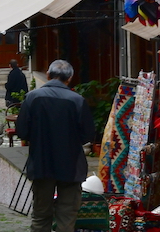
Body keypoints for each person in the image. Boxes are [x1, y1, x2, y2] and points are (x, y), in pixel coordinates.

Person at [15, 60, 95, 232]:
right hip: (71, 164)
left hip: (41, 162)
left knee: (40, 215)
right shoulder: (77, 100)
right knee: (67, 217)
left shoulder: (32, 98)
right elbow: (88, 134)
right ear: (70, 78)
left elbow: (22, 131)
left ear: (48, 75)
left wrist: (37, 139)